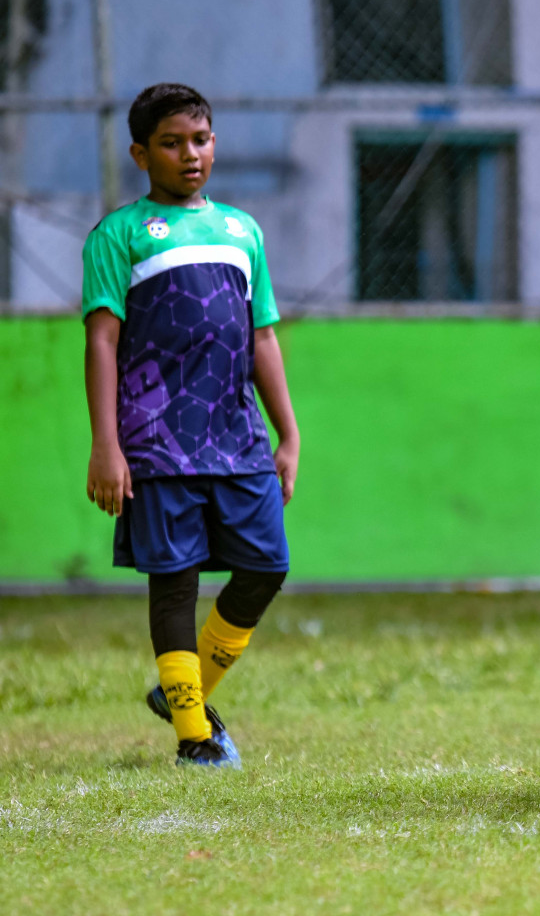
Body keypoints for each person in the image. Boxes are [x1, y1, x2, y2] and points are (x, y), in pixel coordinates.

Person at [81, 83, 299, 769]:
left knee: (266, 565)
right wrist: (107, 446)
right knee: (173, 580)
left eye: (200, 140)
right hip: (155, 443)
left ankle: (183, 694)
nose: (190, 155)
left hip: (238, 438)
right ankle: (194, 737)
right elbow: (102, 343)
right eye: (172, 144)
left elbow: (262, 337)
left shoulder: (242, 232)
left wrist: (287, 434)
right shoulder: (118, 235)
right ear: (141, 154)